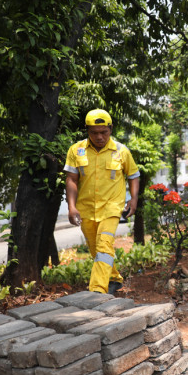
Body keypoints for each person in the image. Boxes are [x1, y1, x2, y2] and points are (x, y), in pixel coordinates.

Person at [64, 109, 140, 295]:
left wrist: (133, 199)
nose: (99, 137)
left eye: (104, 132)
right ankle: (114, 278)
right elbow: (71, 179)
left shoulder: (121, 151)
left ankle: (97, 290)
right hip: (86, 208)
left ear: (111, 129)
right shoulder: (76, 150)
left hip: (112, 207)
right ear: (87, 130)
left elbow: (133, 175)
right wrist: (71, 207)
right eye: (94, 132)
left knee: (104, 243)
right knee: (95, 248)